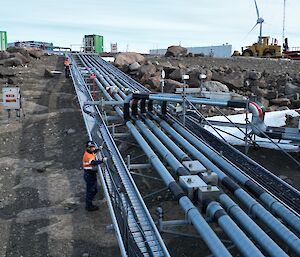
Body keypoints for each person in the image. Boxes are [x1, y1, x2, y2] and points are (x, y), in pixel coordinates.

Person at [82, 140, 107, 211]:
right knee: (90, 191)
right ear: (88, 148)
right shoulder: (87, 155)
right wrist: (102, 161)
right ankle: (89, 206)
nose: (93, 148)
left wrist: (98, 149)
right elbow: (93, 162)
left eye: (93, 147)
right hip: (89, 175)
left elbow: (93, 152)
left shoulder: (90, 152)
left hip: (91, 174)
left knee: (94, 189)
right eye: (91, 147)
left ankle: (90, 200)